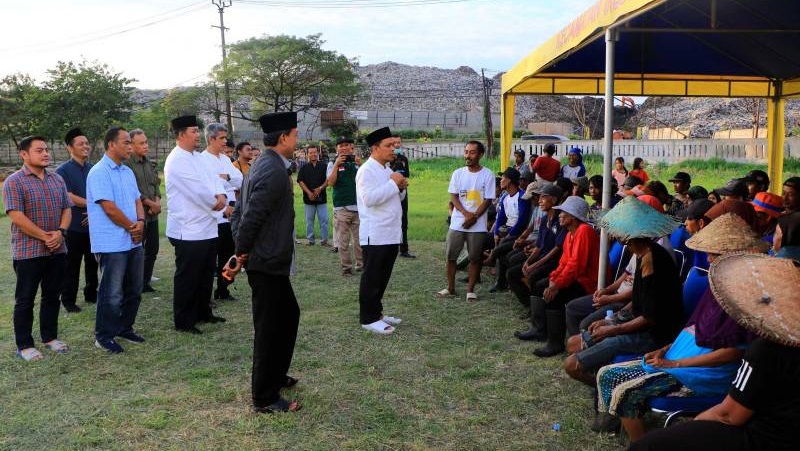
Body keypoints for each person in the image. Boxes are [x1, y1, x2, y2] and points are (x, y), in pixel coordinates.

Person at [594, 213, 765, 439]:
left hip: (704, 372)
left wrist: (675, 363)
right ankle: (626, 429)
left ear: (733, 256)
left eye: (714, 254)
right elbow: (692, 327)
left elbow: (733, 352)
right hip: (679, 356)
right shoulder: (718, 287)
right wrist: (666, 349)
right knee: (606, 373)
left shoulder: (747, 299)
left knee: (623, 388)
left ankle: (641, 444)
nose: (710, 260)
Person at [630, 253, 800, 451]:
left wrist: (695, 426)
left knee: (648, 446)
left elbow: (728, 416)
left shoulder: (766, 350)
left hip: (760, 439)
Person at [563, 196, 685, 384]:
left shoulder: (654, 262)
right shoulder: (643, 254)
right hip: (637, 322)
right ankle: (603, 378)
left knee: (572, 365)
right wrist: (608, 319)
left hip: (655, 335)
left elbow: (649, 318)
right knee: (573, 343)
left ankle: (605, 387)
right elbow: (638, 301)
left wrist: (613, 330)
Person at [228, 111, 302, 414]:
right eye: (295, 135)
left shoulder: (264, 165)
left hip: (268, 259)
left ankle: (275, 376)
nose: (298, 141)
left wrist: (242, 249)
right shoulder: (271, 170)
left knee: (288, 316)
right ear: (283, 138)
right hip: (265, 261)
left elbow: (238, 212)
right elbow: (251, 216)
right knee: (270, 328)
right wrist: (240, 253)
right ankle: (264, 397)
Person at [3, 136, 72, 361]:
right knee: (25, 299)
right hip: (28, 252)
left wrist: (60, 233)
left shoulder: (57, 179)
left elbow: (67, 209)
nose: (45, 154)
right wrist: (45, 236)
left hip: (57, 249)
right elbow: (16, 215)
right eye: (39, 150)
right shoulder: (14, 181)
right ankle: (24, 345)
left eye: (46, 150)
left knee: (52, 296)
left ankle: (50, 337)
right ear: (24, 154)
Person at [164, 115, 227, 334]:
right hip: (188, 228)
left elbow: (213, 178)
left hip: (207, 225)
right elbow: (196, 190)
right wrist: (216, 201)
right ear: (181, 135)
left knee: (206, 273)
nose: (197, 134)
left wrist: (221, 194)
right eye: (193, 131)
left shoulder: (197, 157)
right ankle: (184, 320)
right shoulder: (177, 159)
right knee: (188, 277)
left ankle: (203, 312)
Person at [86, 127, 146, 354]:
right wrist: (132, 227)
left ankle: (124, 327)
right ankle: (104, 335)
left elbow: (137, 200)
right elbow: (109, 208)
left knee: (134, 289)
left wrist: (140, 221)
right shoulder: (99, 172)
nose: (130, 146)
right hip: (112, 243)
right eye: (127, 142)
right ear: (111, 144)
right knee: (111, 293)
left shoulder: (127, 172)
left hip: (134, 240)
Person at [530, 196, 600, 357]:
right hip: (576, 278)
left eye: (564, 212)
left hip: (588, 283)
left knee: (556, 295)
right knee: (541, 285)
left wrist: (556, 285)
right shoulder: (570, 233)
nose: (559, 214)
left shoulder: (584, 230)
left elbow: (576, 265)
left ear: (574, 216)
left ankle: (555, 343)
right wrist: (554, 279)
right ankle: (540, 330)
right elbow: (564, 263)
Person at [355, 127, 407, 335]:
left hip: (390, 232)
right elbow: (369, 199)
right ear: (375, 148)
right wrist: (394, 184)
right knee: (372, 278)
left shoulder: (386, 169)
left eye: (394, 145)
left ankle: (377, 313)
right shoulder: (366, 170)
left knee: (382, 277)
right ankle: (368, 318)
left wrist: (401, 188)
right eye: (388, 146)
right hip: (375, 233)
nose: (393, 149)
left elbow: (394, 197)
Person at [437, 141, 495, 301]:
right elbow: (453, 196)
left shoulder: (488, 174)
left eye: (472, 152)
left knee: (475, 258)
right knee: (451, 256)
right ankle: (450, 288)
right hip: (458, 223)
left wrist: (474, 217)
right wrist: (465, 214)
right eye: (466, 152)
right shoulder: (458, 173)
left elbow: (488, 200)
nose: (467, 156)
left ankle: (470, 290)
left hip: (478, 225)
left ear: (480, 155)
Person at [199, 123, 243, 302]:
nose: (225, 142)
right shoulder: (202, 160)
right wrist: (226, 183)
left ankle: (223, 289)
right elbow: (210, 187)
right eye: (222, 138)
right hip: (214, 217)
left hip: (229, 216)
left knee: (227, 255)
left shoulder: (225, 159)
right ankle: (206, 295)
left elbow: (240, 180)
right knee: (210, 259)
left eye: (226, 137)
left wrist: (227, 178)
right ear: (211, 139)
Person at [56, 127, 98, 312]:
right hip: (73, 226)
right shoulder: (62, 170)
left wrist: (94, 211)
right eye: (81, 144)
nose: (86, 146)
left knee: (93, 262)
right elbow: (68, 196)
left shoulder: (94, 169)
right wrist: (92, 206)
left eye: (87, 143)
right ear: (69, 148)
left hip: (93, 225)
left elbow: (100, 194)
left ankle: (91, 294)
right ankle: (68, 300)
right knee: (71, 265)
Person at [125, 129, 161, 293]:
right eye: (141, 143)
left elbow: (156, 184)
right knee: (136, 250)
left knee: (152, 249)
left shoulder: (149, 163)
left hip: (153, 214)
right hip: (137, 215)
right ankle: (135, 282)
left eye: (146, 142)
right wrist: (149, 204)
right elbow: (132, 191)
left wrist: (157, 202)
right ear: (131, 145)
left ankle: (145, 281)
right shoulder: (127, 165)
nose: (146, 146)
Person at [486, 167, 531, 292]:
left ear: (510, 180)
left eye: (503, 178)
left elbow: (521, 221)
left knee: (502, 245)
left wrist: (508, 234)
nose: (501, 180)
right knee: (482, 238)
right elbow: (500, 217)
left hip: (519, 232)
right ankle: (479, 274)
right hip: (506, 230)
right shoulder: (505, 197)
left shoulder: (522, 197)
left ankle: (491, 259)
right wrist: (495, 233)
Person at [327, 136, 363, 275]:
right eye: (340, 145)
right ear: (336, 148)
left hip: (358, 207)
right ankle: (346, 267)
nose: (343, 147)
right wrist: (336, 165)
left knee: (359, 241)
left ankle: (361, 265)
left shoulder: (356, 162)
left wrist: (361, 165)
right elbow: (330, 183)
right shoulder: (332, 163)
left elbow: (365, 180)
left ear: (351, 147)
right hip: (341, 208)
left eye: (346, 144)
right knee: (343, 241)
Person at [296, 145, 329, 246]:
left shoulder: (324, 166)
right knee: (309, 221)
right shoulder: (304, 167)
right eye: (310, 152)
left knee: (324, 220)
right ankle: (311, 240)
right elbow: (300, 181)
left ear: (318, 153)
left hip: (322, 197)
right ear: (307, 154)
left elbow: (328, 180)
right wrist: (309, 193)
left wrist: (320, 188)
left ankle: (324, 241)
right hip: (308, 198)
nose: (313, 154)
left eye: (315, 152)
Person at [390, 134, 415, 258]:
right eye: (393, 143)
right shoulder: (386, 160)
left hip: (402, 193)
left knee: (403, 220)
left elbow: (406, 175)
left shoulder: (404, 159)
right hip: (389, 194)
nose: (396, 145)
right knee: (390, 220)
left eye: (398, 142)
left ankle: (404, 249)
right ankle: (390, 248)